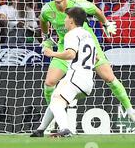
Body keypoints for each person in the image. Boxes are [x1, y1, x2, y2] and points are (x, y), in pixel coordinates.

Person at [30, 0, 135, 137]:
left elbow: (97, 11)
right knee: (49, 82)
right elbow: (43, 22)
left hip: (87, 42)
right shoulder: (47, 9)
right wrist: (47, 37)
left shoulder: (80, 5)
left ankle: (131, 111)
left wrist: (106, 24)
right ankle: (52, 119)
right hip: (65, 45)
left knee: (109, 77)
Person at [34, 7, 97, 137]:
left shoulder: (71, 34)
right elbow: (96, 58)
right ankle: (40, 130)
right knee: (56, 99)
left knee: (57, 100)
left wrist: (52, 53)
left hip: (76, 77)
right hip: (88, 82)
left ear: (72, 21)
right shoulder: (88, 35)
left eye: (67, 17)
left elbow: (70, 54)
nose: (65, 20)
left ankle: (65, 130)